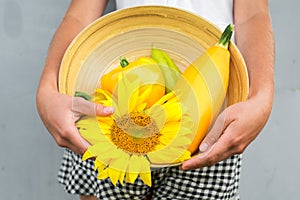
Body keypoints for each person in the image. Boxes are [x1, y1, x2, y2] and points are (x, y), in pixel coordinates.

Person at [36, 0, 274, 199]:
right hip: (112, 114)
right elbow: (79, 16)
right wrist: (47, 90)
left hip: (213, 117)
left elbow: (253, 15)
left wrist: (262, 99)